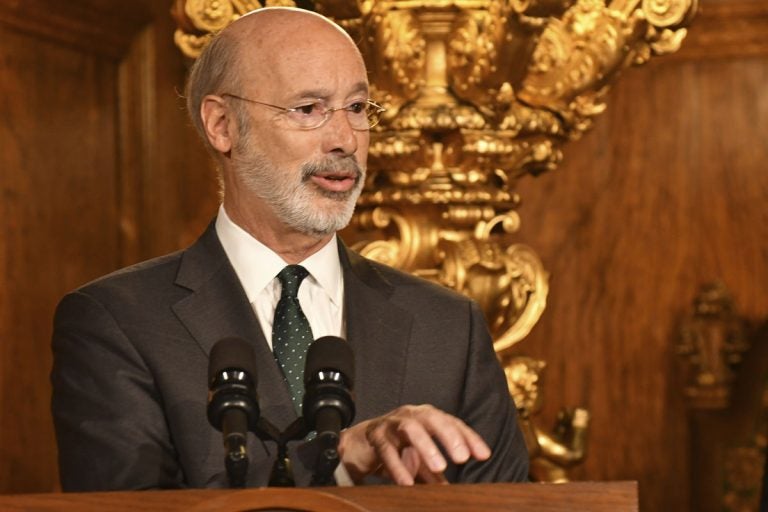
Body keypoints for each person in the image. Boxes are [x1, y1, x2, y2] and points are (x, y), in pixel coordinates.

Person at [51, 7, 529, 490]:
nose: (345, 139)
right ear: (222, 125)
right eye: (308, 109)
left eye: (358, 108)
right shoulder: (118, 322)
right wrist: (339, 462)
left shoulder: (448, 328)